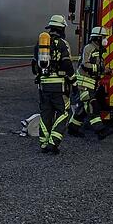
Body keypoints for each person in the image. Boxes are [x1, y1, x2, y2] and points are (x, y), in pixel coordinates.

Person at [31, 14, 77, 154]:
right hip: (59, 86)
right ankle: (53, 142)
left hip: (44, 86)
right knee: (63, 113)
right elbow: (67, 63)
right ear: (62, 28)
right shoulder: (63, 44)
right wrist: (74, 82)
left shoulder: (40, 44)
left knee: (46, 114)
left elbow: (34, 66)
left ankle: (44, 143)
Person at [68, 26, 113, 140]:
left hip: (91, 83)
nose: (105, 39)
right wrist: (102, 69)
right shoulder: (89, 48)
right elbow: (85, 65)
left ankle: (72, 129)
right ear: (97, 38)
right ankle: (100, 130)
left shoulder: (98, 50)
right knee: (92, 106)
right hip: (83, 84)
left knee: (82, 110)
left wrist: (104, 69)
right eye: (103, 37)